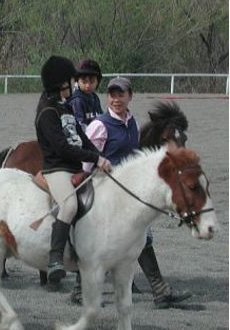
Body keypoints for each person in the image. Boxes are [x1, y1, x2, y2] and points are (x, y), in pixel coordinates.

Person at [81, 77, 192, 308]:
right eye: (112, 94)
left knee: (142, 235)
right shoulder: (100, 125)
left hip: (127, 190)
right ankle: (79, 289)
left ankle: (159, 291)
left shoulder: (132, 123)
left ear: (130, 96)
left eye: (120, 94)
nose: (116, 99)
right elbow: (84, 159)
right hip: (104, 187)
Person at [35, 55, 112, 288]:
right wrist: (93, 157)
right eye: (70, 80)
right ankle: (55, 258)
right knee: (69, 205)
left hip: (75, 167)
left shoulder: (65, 107)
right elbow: (62, 147)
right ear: (61, 83)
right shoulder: (47, 112)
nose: (74, 84)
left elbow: (82, 138)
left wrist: (100, 158)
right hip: (57, 169)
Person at [68, 59, 103, 130]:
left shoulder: (95, 97)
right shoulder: (77, 101)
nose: (88, 85)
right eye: (84, 82)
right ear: (77, 81)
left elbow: (101, 118)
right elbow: (80, 127)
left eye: (92, 81)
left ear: (97, 82)